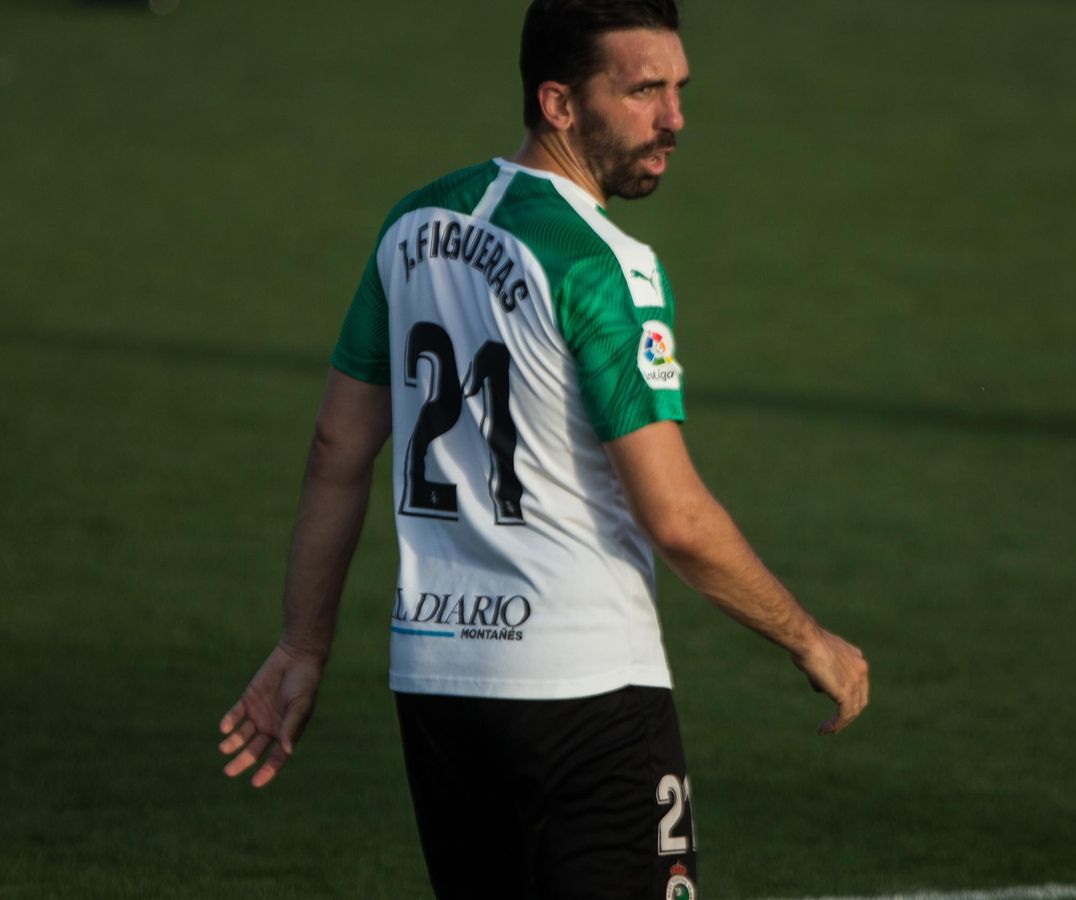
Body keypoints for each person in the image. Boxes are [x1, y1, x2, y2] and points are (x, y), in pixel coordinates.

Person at [215, 1, 870, 897]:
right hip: (584, 690)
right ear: (558, 103)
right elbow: (675, 517)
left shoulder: (412, 224)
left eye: (679, 89)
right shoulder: (600, 265)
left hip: (437, 686)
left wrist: (303, 643)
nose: (674, 118)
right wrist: (808, 638)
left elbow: (338, 443)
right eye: (642, 92)